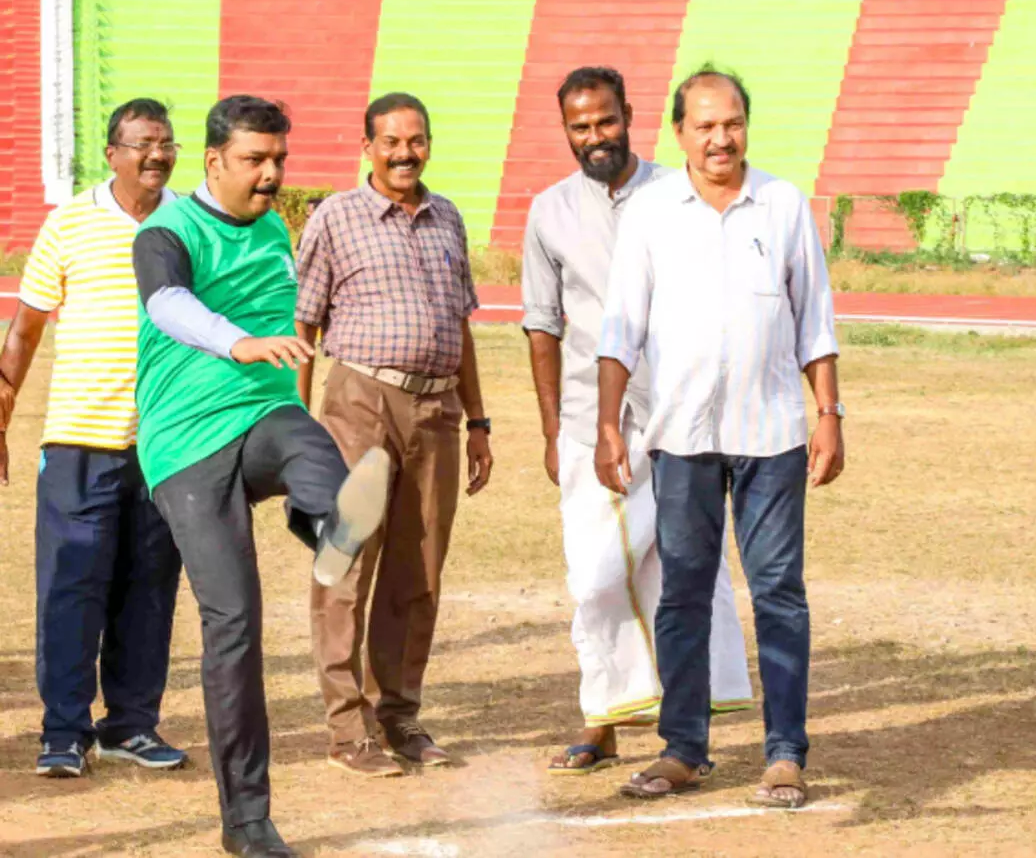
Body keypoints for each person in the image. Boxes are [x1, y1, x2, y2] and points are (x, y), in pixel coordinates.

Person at [132, 95, 392, 858]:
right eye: (255, 159)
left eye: (279, 157)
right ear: (214, 162)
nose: (272, 173)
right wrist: (236, 341)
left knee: (313, 445)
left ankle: (325, 527)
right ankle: (246, 821)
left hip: (259, 420)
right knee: (235, 627)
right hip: (183, 446)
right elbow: (166, 301)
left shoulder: (277, 227)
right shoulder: (168, 230)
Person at [596, 65, 845, 808]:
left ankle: (785, 753)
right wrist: (608, 422)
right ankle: (682, 747)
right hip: (680, 434)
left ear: (746, 125)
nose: (720, 138)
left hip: (772, 434)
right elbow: (619, 327)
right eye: (704, 125)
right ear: (679, 133)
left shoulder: (783, 204)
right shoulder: (649, 213)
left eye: (731, 122)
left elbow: (815, 319)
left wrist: (828, 412)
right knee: (683, 594)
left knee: (778, 592)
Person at [520, 66, 753, 775]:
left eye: (607, 121)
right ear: (566, 129)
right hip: (593, 418)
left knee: (687, 566)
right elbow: (541, 327)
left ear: (631, 114)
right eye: (580, 126)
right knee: (595, 573)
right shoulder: (549, 211)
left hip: (683, 414)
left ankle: (690, 712)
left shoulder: (675, 194)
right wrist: (554, 430)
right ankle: (604, 713)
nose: (595, 136)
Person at [294, 92, 491, 777]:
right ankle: (349, 727)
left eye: (416, 140)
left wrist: (480, 419)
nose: (404, 153)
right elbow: (303, 327)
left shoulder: (448, 219)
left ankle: (398, 713)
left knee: (420, 567)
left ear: (428, 144)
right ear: (368, 146)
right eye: (390, 141)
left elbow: (459, 326)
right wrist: (297, 429)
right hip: (360, 403)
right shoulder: (336, 218)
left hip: (437, 412)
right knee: (345, 562)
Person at [0, 98, 186, 779]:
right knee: (71, 587)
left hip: (165, 443)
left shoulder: (187, 223)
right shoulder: (71, 222)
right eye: (142, 144)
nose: (157, 155)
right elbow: (25, 328)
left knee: (149, 588)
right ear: (113, 153)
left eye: (166, 143)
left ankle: (131, 725)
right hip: (79, 440)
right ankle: (64, 731)